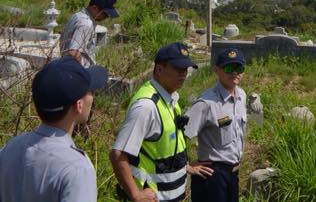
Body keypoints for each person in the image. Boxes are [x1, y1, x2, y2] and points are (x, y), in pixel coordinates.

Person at [0, 57, 108, 202]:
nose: (92, 96)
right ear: (79, 105)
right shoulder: (77, 169)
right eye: (89, 91)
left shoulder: (11, 147)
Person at [110, 42, 200, 202]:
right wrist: (135, 194)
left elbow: (164, 148)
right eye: (178, 69)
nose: (183, 74)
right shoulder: (146, 106)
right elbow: (117, 154)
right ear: (159, 69)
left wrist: (183, 167)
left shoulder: (170, 97)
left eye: (185, 69)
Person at [183, 47, 248, 202]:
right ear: (217, 70)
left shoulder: (241, 96)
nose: (234, 73)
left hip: (233, 174)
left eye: (238, 68)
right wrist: (186, 166)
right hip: (212, 176)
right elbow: (180, 134)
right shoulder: (206, 103)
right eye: (229, 68)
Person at [61, 0, 119, 67]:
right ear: (94, 8)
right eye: (105, 14)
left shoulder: (77, 15)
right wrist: (79, 73)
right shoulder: (86, 24)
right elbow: (73, 53)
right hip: (79, 70)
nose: (106, 17)